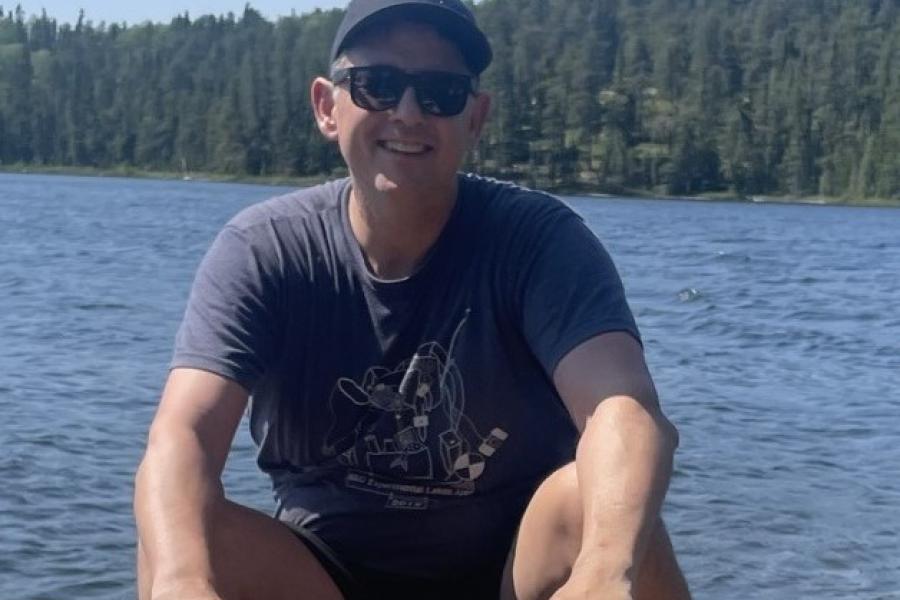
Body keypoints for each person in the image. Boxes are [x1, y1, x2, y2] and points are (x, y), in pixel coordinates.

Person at [134, 1, 692, 598]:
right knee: (187, 529)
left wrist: (607, 575)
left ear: (475, 118)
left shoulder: (540, 244)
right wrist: (181, 581)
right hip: (323, 575)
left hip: (512, 573)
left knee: (600, 505)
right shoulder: (265, 250)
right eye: (376, 85)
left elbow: (623, 409)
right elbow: (183, 434)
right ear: (328, 106)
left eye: (440, 92)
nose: (407, 113)